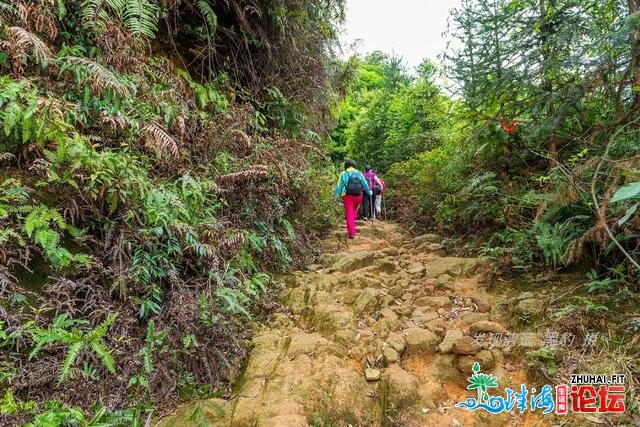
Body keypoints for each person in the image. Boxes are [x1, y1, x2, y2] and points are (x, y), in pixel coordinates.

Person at [334, 159, 372, 239]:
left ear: (346, 165)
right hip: (358, 196)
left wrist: (336, 196)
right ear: (354, 165)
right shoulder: (359, 173)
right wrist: (369, 192)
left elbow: (339, 186)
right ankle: (351, 226)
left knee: (349, 213)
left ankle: (352, 233)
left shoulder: (343, 173)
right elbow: (364, 184)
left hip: (347, 196)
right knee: (354, 212)